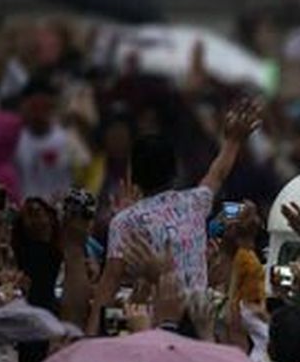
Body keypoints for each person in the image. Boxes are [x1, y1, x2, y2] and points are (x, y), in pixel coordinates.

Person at [98, 98, 259, 297]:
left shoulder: (123, 222)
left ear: (133, 176)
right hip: (198, 319)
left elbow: (109, 284)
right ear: (174, 173)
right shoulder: (194, 203)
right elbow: (218, 173)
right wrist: (234, 141)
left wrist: (92, 327)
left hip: (151, 321)